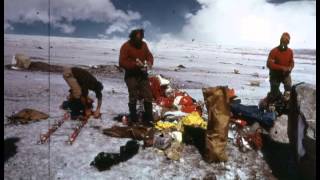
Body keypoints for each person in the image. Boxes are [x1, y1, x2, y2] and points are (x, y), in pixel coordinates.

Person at [119, 28, 154, 126]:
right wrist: (135, 64)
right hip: (131, 75)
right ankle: (133, 118)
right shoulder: (126, 46)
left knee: (148, 95)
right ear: (132, 38)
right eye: (137, 38)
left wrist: (149, 62)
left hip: (142, 74)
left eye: (141, 38)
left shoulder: (144, 45)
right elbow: (122, 62)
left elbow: (149, 55)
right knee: (133, 95)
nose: (139, 40)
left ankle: (149, 118)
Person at [266, 32, 294, 103]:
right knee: (274, 93)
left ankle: (286, 102)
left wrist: (290, 67)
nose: (284, 43)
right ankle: (274, 99)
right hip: (275, 75)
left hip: (285, 74)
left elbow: (292, 62)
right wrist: (282, 68)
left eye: (286, 42)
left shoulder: (290, 51)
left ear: (288, 43)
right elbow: (269, 64)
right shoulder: (274, 51)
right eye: (282, 41)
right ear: (280, 41)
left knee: (288, 89)